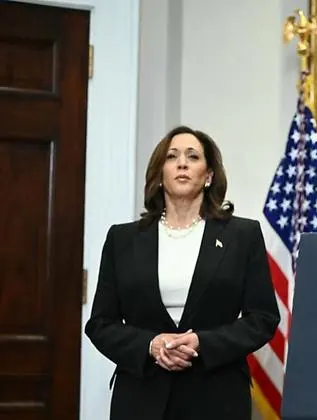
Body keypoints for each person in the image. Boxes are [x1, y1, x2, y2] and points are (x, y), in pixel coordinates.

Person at [85, 125, 280, 420]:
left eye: (193, 156)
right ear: (160, 174)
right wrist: (150, 345)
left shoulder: (243, 235)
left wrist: (203, 342)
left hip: (217, 396)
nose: (182, 163)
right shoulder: (122, 239)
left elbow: (263, 319)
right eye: (172, 156)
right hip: (141, 397)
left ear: (209, 175)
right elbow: (101, 323)